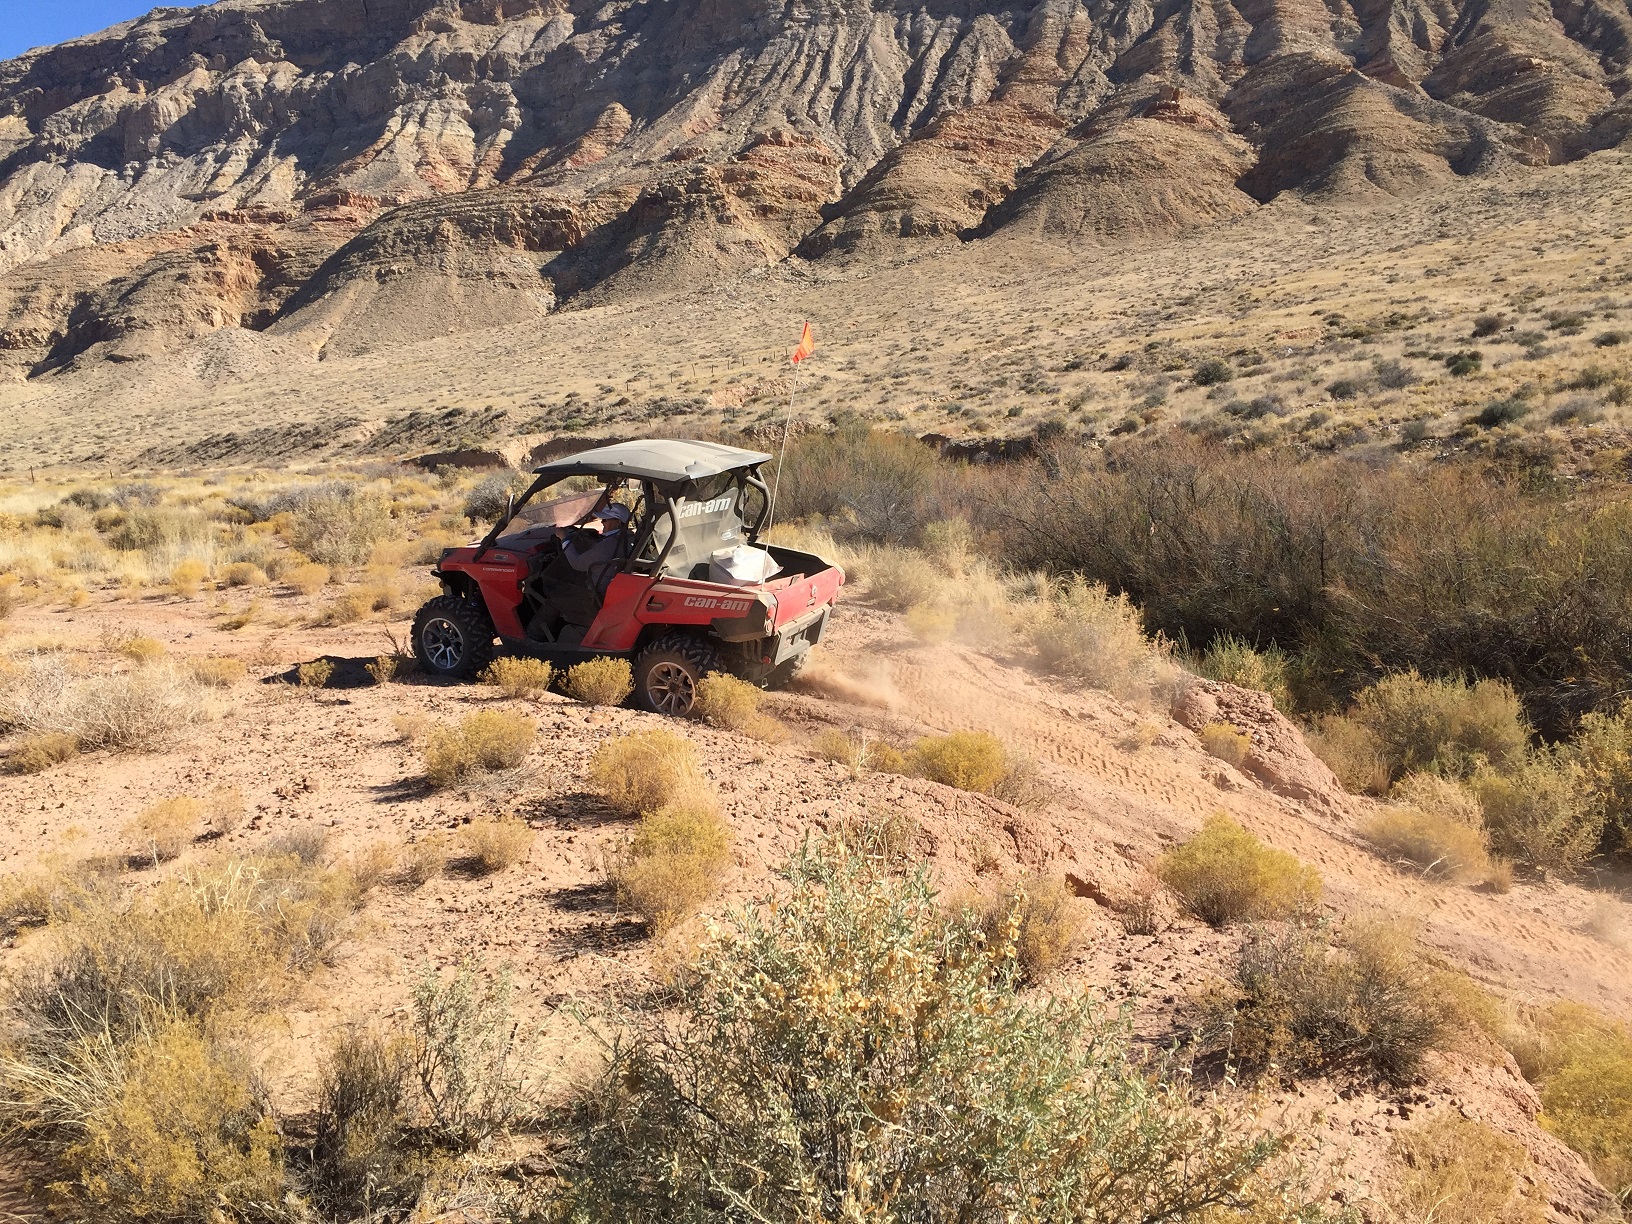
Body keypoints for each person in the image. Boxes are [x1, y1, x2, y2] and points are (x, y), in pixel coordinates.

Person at [562, 502, 631, 594]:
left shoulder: (609, 545)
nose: (602, 521)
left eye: (605, 520)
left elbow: (577, 563)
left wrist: (564, 538)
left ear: (618, 522)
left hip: (598, 592)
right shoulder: (629, 537)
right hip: (615, 584)